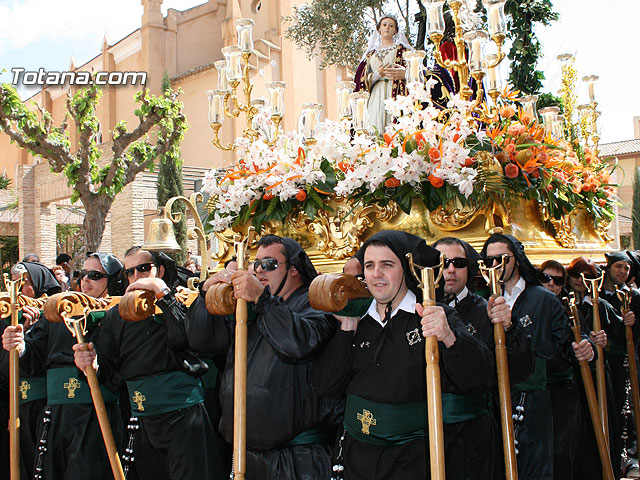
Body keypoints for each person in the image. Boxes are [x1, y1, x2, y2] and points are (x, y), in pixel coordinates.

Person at [313, 230, 493, 479]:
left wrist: (449, 337)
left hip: (412, 459)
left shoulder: (432, 314)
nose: (376, 274)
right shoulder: (356, 317)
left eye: (387, 265)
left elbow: (477, 377)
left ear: (406, 269)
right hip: (356, 455)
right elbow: (326, 385)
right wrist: (346, 329)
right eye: (369, 265)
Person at [186, 235, 342, 479]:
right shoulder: (254, 308)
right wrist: (206, 292)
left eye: (269, 264)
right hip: (248, 455)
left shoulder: (314, 304)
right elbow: (202, 342)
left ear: (293, 270)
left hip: (297, 460)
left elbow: (298, 343)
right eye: (256, 264)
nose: (260, 271)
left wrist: (262, 299)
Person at [74, 247, 225, 480]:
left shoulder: (183, 301)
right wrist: (91, 364)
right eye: (129, 272)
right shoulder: (117, 314)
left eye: (144, 269)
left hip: (184, 417)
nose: (136, 276)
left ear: (160, 270)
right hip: (141, 421)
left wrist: (164, 296)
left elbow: (188, 340)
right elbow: (107, 368)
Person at [480, 234, 594, 480]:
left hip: (536, 403)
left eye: (501, 259)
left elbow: (568, 343)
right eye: (488, 262)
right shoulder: (481, 302)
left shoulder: (544, 299)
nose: (495, 267)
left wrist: (584, 347)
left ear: (517, 260)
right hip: (493, 403)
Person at [2, 254, 122, 480]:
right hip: (56, 416)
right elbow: (35, 354)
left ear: (112, 281)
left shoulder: (118, 315)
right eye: (82, 274)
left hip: (94, 416)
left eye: (95, 275)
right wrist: (20, 345)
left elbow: (126, 367)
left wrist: (97, 365)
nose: (86, 280)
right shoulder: (58, 313)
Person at [433, 237, 533, 479]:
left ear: (471, 268)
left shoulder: (488, 309)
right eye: (443, 263)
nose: (450, 270)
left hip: (474, 437)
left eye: (459, 262)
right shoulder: (417, 309)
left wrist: (509, 328)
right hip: (427, 434)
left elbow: (519, 369)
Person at [0, 262, 60, 480]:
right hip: (19, 407)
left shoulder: (55, 316)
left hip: (46, 407)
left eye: (24, 282)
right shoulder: (8, 319)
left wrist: (27, 339)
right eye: (14, 283)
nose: (18, 288)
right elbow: (5, 369)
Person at [566, 257, 622, 479]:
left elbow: (622, 340)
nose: (581, 281)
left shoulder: (601, 306)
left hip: (598, 375)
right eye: (577, 275)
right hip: (573, 380)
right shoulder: (562, 303)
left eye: (588, 276)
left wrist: (604, 343)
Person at [599, 251, 640, 473]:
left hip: (628, 359)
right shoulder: (596, 294)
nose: (622, 272)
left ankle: (631, 454)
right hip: (606, 362)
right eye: (618, 267)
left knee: (630, 407)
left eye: (626, 268)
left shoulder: (635, 296)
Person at [354, 15, 411, 134]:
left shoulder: (402, 50)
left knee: (393, 128)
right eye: (384, 25)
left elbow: (416, 72)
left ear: (395, 31)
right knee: (374, 127)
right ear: (379, 29)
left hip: (394, 91)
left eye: (391, 26)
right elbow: (360, 80)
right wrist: (376, 74)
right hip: (375, 94)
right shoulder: (370, 55)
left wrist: (405, 74)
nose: (387, 28)